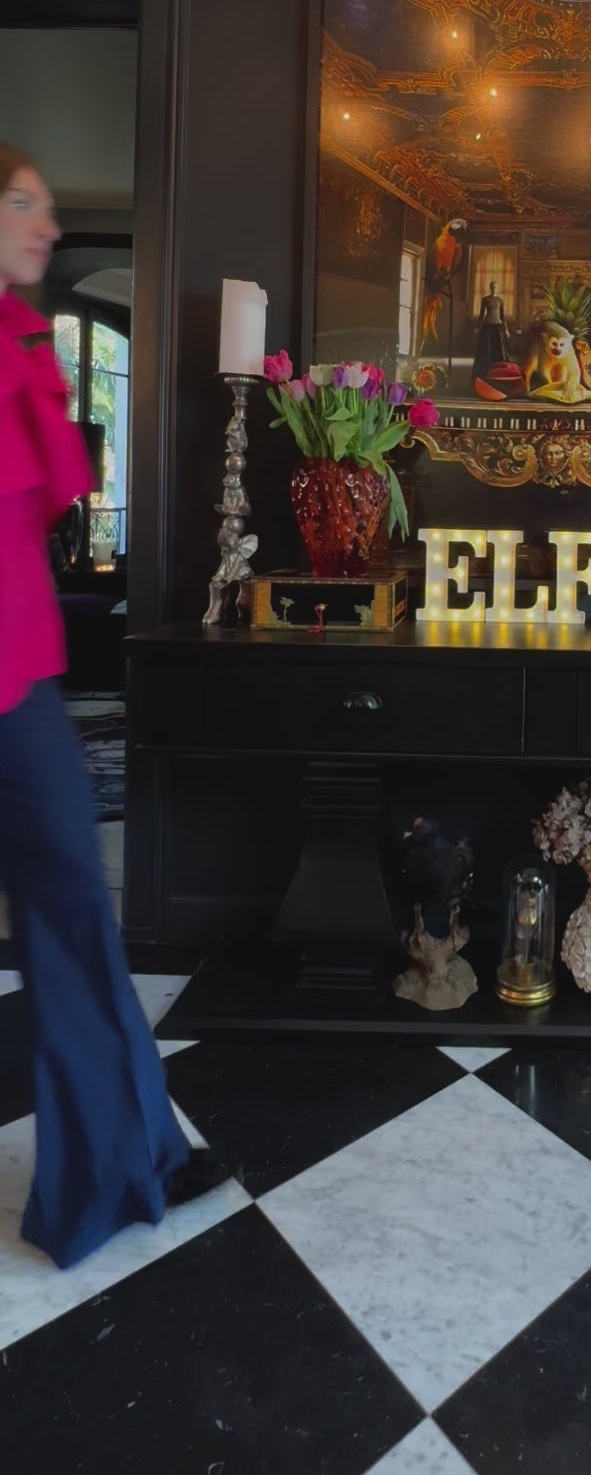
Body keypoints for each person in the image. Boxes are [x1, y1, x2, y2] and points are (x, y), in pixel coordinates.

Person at [0, 142, 226, 1271]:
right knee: (71, 915)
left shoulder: (16, 336)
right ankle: (120, 1168)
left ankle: (132, 1156)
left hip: (22, 671)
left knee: (75, 917)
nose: (47, 224)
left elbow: (49, 487)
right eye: (24, 203)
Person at [472, 278, 510, 382]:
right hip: (487, 326)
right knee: (486, 348)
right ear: (490, 288)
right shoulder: (485, 300)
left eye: (495, 287)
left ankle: (499, 369)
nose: (494, 288)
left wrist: (506, 330)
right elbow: (481, 315)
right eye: (492, 287)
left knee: (499, 348)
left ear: (498, 288)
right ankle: (485, 369)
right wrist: (477, 327)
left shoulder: (500, 300)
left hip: (497, 326)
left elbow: (503, 316)